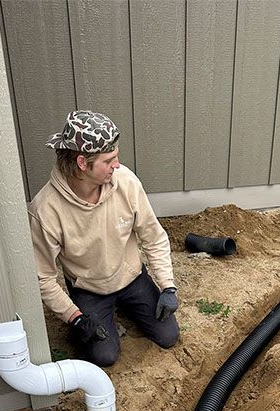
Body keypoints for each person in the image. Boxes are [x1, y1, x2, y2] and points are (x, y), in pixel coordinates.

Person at [28, 110, 179, 366]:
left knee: (169, 336)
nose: (116, 165)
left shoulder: (126, 183)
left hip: (131, 278)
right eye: (109, 160)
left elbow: (153, 237)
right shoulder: (45, 210)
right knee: (104, 356)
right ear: (82, 162)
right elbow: (42, 277)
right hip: (90, 290)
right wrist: (75, 317)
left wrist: (168, 287)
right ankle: (95, 319)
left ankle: (127, 306)